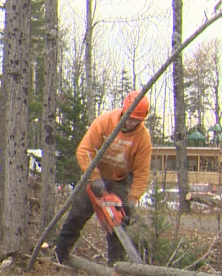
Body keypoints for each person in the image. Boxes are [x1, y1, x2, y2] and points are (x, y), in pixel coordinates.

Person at [54, 90, 152, 266]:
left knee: (118, 222)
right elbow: (84, 150)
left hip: (119, 181)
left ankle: (116, 266)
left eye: (136, 120)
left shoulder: (143, 138)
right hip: (95, 175)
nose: (131, 123)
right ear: (124, 111)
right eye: (130, 118)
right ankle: (59, 256)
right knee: (76, 216)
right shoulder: (105, 122)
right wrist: (94, 177)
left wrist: (132, 198)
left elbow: (141, 172)